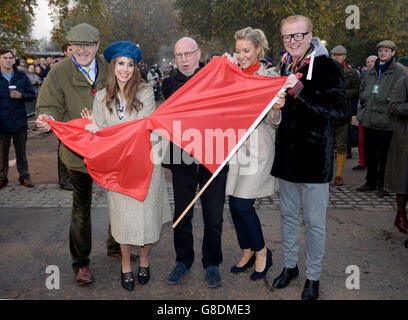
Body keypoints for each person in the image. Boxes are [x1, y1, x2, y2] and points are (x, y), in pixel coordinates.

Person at [35, 23, 137, 286]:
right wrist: (47, 118)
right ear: (69, 47)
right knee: (81, 208)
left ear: (97, 46)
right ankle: (81, 263)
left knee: (119, 199)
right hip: (77, 155)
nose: (82, 50)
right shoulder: (58, 71)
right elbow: (49, 105)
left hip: (110, 152)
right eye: (76, 45)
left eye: (88, 45)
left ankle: (116, 243)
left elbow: (128, 94)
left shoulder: (110, 66)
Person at [81, 41, 171, 291]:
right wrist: (94, 131)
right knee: (123, 220)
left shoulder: (144, 91)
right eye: (121, 63)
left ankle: (144, 260)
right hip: (118, 169)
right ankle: (125, 265)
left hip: (146, 166)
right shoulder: (101, 96)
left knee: (148, 217)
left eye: (130, 64)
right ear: (113, 66)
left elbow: (140, 129)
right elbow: (98, 134)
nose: (126, 69)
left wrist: (103, 131)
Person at [270, 15, 346, 300]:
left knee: (314, 223)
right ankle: (290, 267)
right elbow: (277, 116)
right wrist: (275, 110)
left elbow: (340, 110)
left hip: (316, 159)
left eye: (299, 35)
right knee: (288, 217)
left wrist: (298, 90)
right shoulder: (282, 66)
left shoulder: (327, 66)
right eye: (288, 37)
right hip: (288, 158)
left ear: (311, 35)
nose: (293, 42)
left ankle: (313, 276)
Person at [223, 27, 288, 281]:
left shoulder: (270, 76)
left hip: (258, 148)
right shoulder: (232, 75)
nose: (242, 55)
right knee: (234, 204)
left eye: (247, 50)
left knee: (243, 204)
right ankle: (247, 250)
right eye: (238, 51)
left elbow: (274, 122)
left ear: (258, 50)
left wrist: (276, 108)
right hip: (234, 148)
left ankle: (262, 252)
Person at [162, 37, 227, 288]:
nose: (185, 59)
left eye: (189, 54)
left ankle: (212, 263)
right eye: (179, 55)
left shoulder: (217, 78)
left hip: (214, 158)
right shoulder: (170, 84)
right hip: (183, 160)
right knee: (182, 215)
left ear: (199, 53)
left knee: (214, 217)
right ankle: (183, 260)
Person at [356, 40, 406, 197]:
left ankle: (383, 185)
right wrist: (364, 99)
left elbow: (400, 94)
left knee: (385, 156)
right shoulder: (372, 70)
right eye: (380, 51)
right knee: (369, 153)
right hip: (369, 118)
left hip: (386, 121)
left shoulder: (398, 71)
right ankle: (370, 181)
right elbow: (363, 88)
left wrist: (387, 100)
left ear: (392, 53)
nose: (383, 53)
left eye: (386, 51)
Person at [0, 48, 36, 189]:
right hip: (2, 121)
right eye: (5, 58)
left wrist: (21, 95)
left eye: (10, 58)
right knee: (2, 153)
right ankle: (2, 178)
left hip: (19, 120)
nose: (8, 61)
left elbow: (31, 95)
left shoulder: (21, 75)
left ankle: (24, 177)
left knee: (21, 151)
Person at [330, 45, 360, 185]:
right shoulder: (325, 70)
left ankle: (339, 175)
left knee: (341, 145)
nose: (337, 57)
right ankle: (327, 173)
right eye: (334, 55)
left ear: (345, 56)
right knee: (327, 145)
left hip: (343, 113)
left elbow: (357, 90)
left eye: (340, 55)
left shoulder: (352, 73)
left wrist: (342, 93)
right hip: (328, 113)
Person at [384, 74, 408, 234]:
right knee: (404, 180)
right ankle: (401, 215)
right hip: (406, 136)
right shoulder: (405, 81)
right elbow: (394, 106)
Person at [353, 55, 378, 171]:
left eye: (373, 61)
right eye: (368, 62)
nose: (370, 63)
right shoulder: (363, 76)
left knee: (375, 142)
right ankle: (362, 162)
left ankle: (375, 164)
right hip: (363, 112)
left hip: (376, 113)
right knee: (362, 140)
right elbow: (360, 93)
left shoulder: (381, 75)